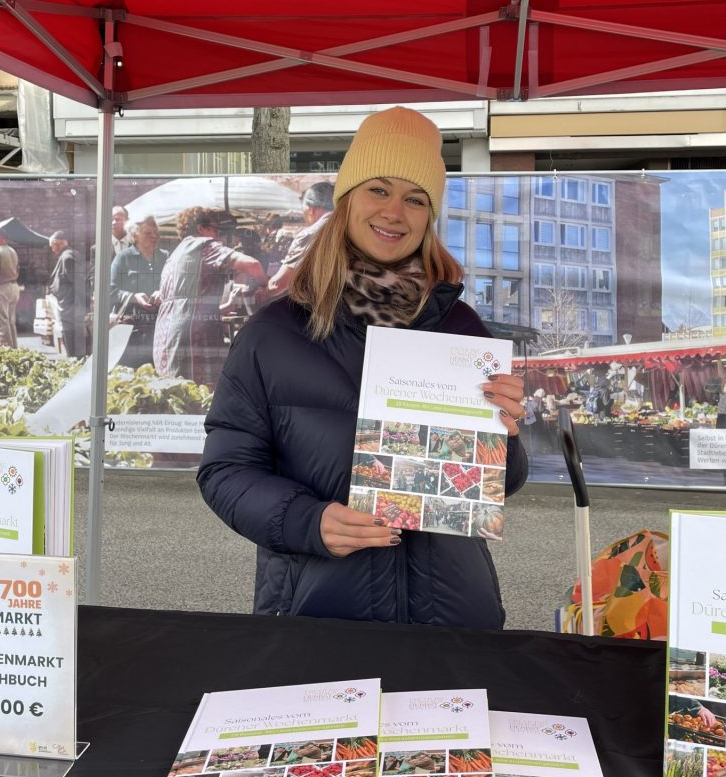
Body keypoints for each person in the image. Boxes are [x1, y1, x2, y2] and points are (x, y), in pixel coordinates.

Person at [197, 106, 527, 629]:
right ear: (348, 200)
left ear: (429, 216)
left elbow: (499, 484)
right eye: (379, 189)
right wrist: (308, 521)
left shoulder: (460, 327)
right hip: (319, 615)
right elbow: (225, 472)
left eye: (416, 199)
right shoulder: (275, 333)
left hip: (454, 618)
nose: (395, 211)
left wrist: (502, 435)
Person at [152, 207, 266, 387]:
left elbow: (185, 300)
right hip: (191, 335)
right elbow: (253, 265)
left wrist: (221, 308)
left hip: (166, 334)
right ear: (201, 228)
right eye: (215, 229)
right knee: (200, 393)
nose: (219, 236)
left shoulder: (176, 254)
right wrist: (265, 285)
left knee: (175, 393)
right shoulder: (203, 245)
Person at [110, 215, 169, 368]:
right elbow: (110, 291)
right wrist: (133, 297)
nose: (154, 236)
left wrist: (162, 292)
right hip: (132, 332)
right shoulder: (123, 258)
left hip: (160, 329)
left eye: (156, 232)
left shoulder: (165, 257)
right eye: (148, 233)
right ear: (134, 235)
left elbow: (174, 286)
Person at [267, 181, 335, 297]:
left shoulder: (311, 234)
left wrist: (265, 289)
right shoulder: (354, 226)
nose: (305, 219)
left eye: (304, 213)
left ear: (311, 210)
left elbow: (278, 284)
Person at [48, 231, 87, 358]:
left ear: (56, 243)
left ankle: (76, 364)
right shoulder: (71, 254)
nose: (52, 250)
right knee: (74, 339)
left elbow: (78, 283)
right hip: (72, 305)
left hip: (70, 307)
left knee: (71, 340)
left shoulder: (67, 257)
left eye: (52, 247)